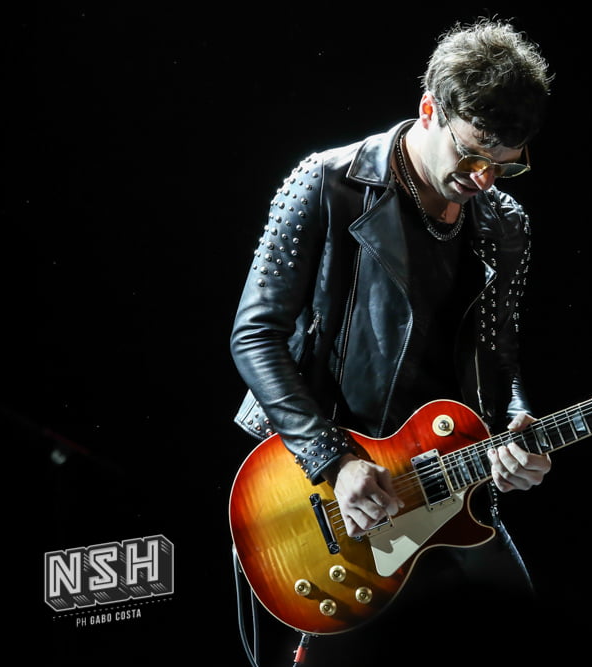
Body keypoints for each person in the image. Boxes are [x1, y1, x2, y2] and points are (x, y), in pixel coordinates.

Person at [230, 17, 554, 665]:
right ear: (430, 109)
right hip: (329, 489)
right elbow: (255, 336)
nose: (485, 179)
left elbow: (499, 351)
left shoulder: (505, 223)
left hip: (446, 484)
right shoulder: (328, 182)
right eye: (474, 154)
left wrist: (516, 422)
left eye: (506, 165)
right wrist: (335, 460)